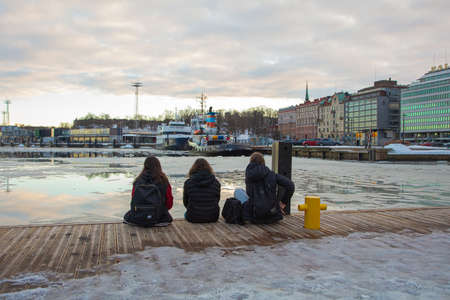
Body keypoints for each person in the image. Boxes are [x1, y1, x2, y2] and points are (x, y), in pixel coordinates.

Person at [239, 152, 295, 224]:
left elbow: (249, 193)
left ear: (251, 162)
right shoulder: (272, 174)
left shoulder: (249, 175)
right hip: (272, 214)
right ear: (263, 162)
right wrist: (283, 202)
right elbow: (290, 185)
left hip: (255, 215)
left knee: (238, 191)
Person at [123, 156, 173, 226]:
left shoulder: (138, 180)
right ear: (159, 166)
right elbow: (169, 203)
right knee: (167, 218)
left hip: (138, 216)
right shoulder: (164, 181)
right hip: (158, 218)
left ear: (145, 166)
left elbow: (133, 199)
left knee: (126, 217)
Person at [183, 158, 221, 223]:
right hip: (213, 217)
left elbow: (185, 202)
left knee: (185, 214)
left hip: (193, 217)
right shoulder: (216, 182)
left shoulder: (188, 183)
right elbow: (217, 200)